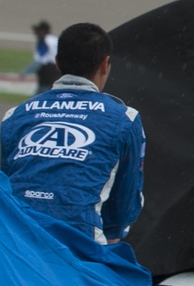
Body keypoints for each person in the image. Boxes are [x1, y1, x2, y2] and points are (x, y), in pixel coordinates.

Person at [0, 22, 145, 244]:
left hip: (16, 243)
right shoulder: (125, 118)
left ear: (57, 63)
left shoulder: (14, 115)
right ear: (105, 64)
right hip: (79, 243)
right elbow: (124, 204)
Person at [22, 20, 61, 94]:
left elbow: (40, 60)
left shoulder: (43, 41)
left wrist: (25, 72)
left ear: (42, 31)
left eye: (37, 30)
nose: (35, 33)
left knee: (40, 97)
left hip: (48, 73)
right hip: (57, 72)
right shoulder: (54, 40)